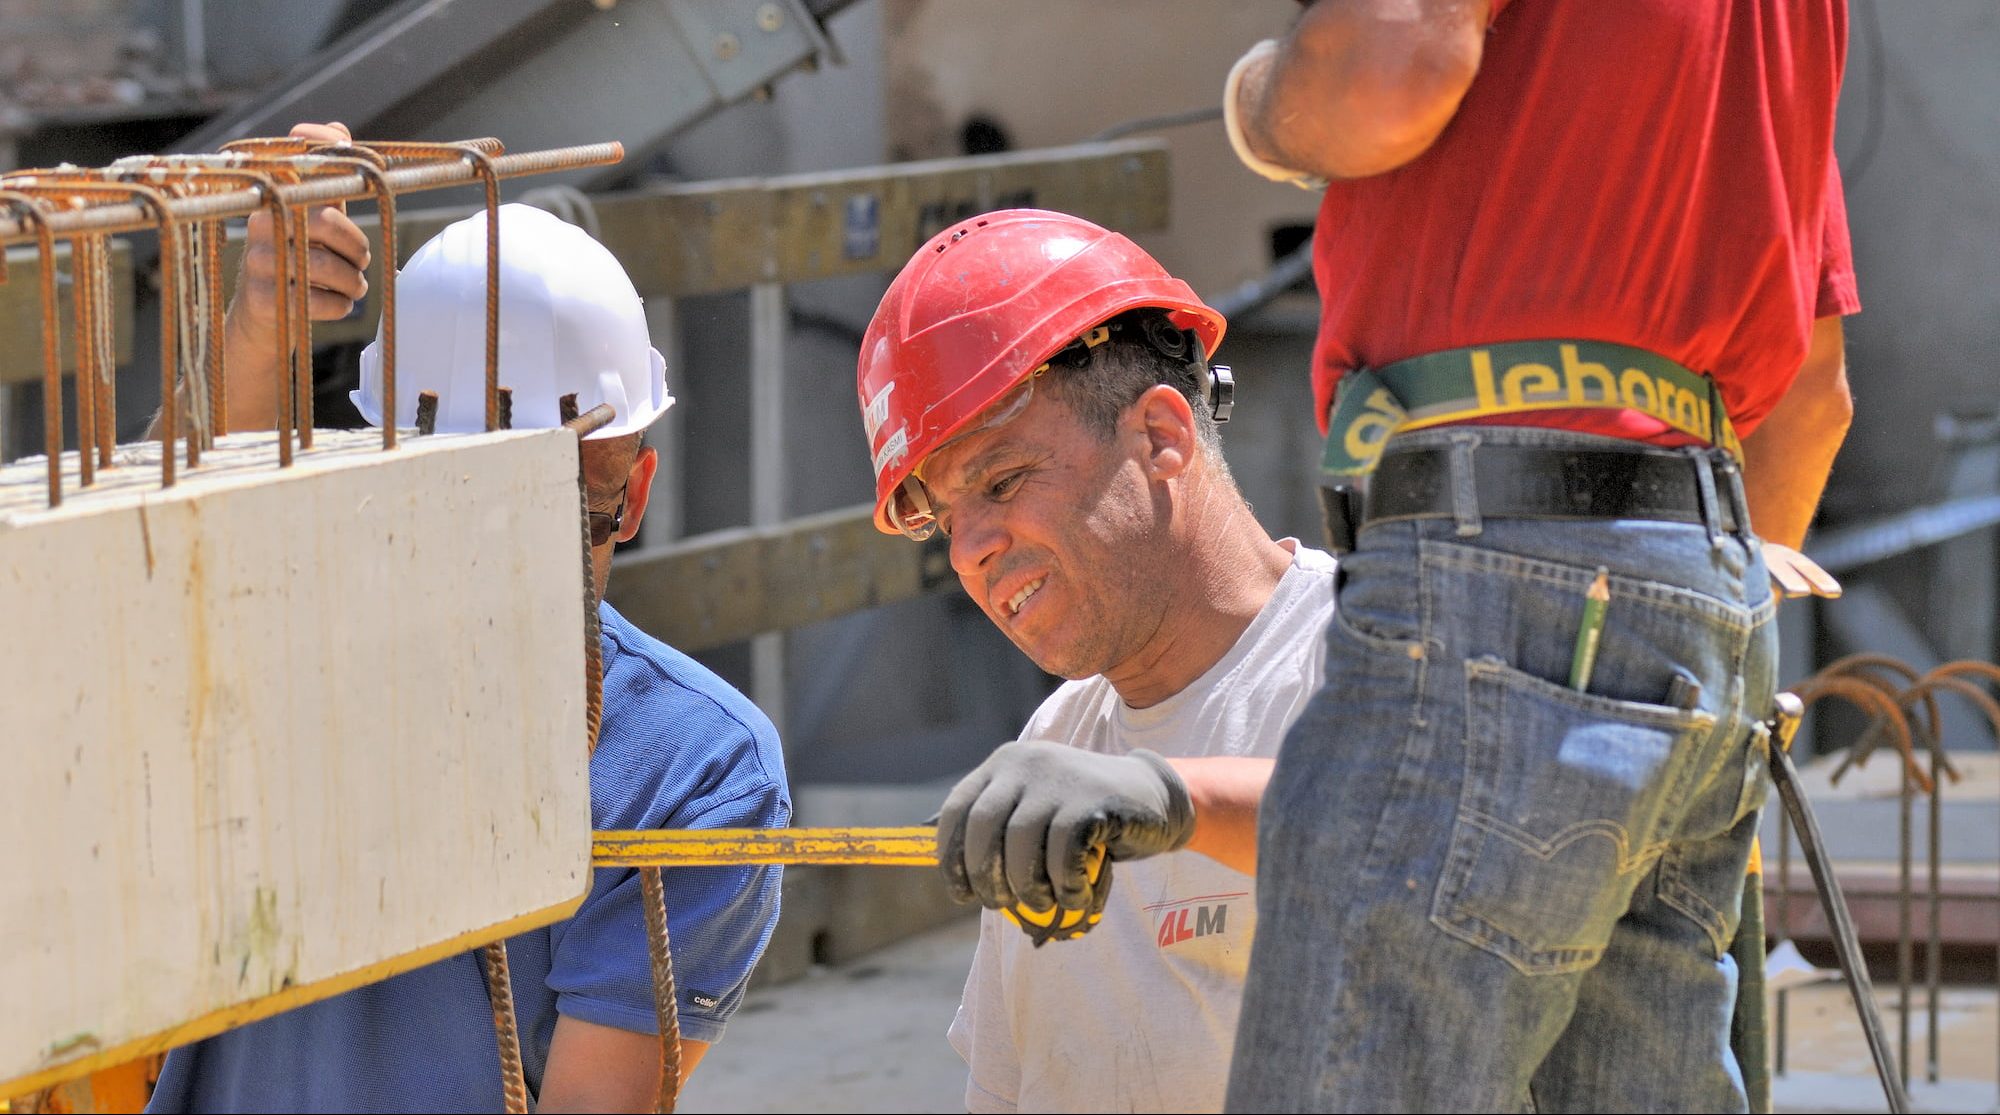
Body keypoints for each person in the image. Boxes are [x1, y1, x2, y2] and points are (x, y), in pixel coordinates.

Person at [1217, 2, 1859, 1110]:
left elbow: (1380, 77)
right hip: (1702, 575)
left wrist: (1261, 107)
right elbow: (1812, 391)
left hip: (1492, 568)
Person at [147, 125, 790, 1113]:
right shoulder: (272, 656)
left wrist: (253, 323)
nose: (508, 578)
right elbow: (167, 555)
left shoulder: (693, 771)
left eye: (549, 517)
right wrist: (254, 320)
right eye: (473, 510)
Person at [856, 207, 1338, 1113]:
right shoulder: (1061, 736)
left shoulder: (1370, 663)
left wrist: (1176, 803)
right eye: (941, 520)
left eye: (1000, 482)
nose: (970, 552)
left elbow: (1423, 857)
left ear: (1160, 434)